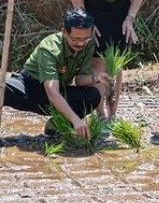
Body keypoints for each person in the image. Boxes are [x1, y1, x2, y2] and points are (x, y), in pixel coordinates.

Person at [3, 9, 111, 137]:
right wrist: (76, 120)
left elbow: (78, 80)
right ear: (64, 32)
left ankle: (55, 127)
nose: (81, 43)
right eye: (76, 39)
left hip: (59, 89)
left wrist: (95, 78)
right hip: (30, 88)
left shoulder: (88, 44)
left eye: (85, 38)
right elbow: (52, 93)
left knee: (93, 95)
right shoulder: (50, 48)